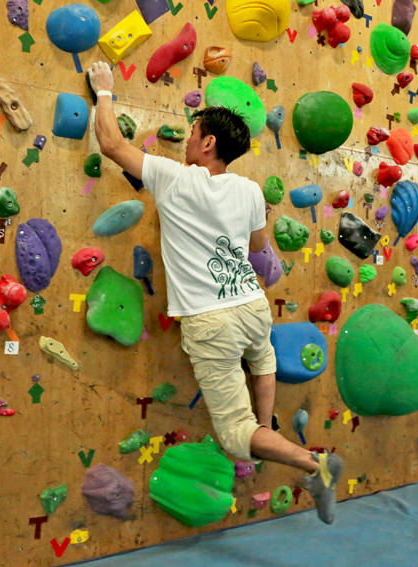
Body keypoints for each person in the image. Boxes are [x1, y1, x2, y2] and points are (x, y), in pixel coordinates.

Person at [87, 62, 343, 524]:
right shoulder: (249, 190)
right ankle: (265, 429)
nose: (187, 140)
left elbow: (111, 144)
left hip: (211, 319)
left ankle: (314, 465)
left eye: (192, 133)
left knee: (233, 435)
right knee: (263, 360)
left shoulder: (175, 177)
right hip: (251, 305)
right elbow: (258, 246)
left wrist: (104, 91)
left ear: (208, 143)